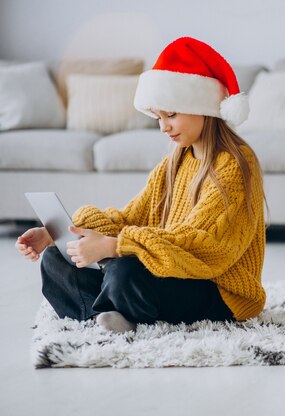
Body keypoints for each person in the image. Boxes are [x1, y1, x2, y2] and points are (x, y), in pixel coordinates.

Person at [15, 37, 266, 333]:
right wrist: (57, 232)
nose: (164, 126)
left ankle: (110, 311)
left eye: (171, 115)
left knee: (125, 271)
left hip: (218, 289)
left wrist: (115, 246)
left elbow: (205, 247)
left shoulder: (236, 164)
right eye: (158, 117)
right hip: (173, 270)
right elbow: (132, 216)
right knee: (58, 257)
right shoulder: (176, 161)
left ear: (203, 107)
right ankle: (108, 317)